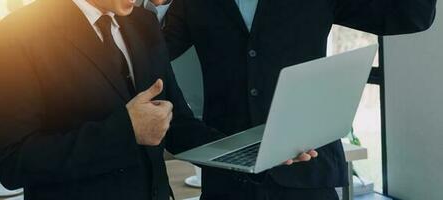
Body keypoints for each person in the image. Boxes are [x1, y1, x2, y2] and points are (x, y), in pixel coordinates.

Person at [0, 0, 317, 199]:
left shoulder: (142, 25)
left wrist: (253, 154)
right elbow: (12, 163)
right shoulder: (18, 34)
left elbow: (179, 126)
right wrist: (125, 131)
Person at [144, 0, 438, 199]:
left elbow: (410, 14)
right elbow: (150, 53)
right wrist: (159, 5)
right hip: (228, 175)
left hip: (307, 169)